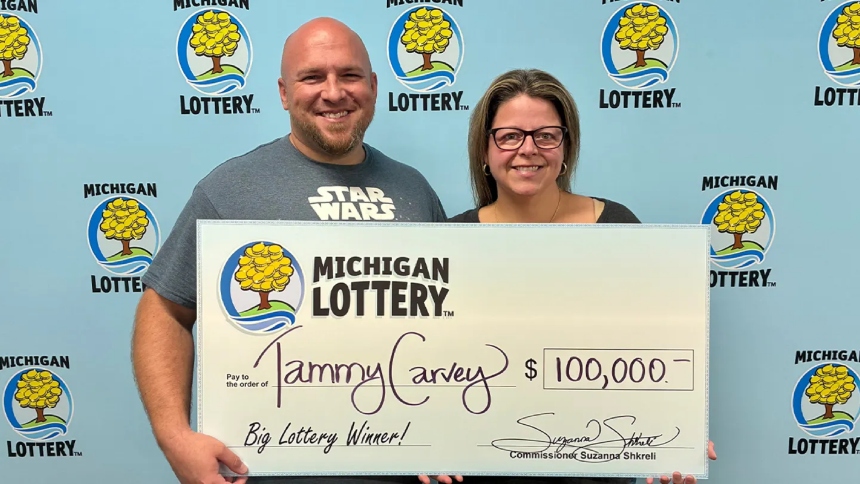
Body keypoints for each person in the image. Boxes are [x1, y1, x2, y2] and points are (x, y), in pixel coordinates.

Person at [131, 17, 446, 484]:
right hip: (266, 470)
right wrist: (174, 436)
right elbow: (165, 311)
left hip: (400, 468)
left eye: (350, 75)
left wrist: (451, 429)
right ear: (283, 92)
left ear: (374, 86)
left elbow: (448, 325)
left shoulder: (414, 189)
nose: (334, 92)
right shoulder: (229, 190)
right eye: (312, 77)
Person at [434, 68, 717, 484]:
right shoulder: (448, 241)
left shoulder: (617, 227)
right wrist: (424, 443)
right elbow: (430, 366)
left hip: (594, 467)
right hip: (481, 470)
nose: (528, 149)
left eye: (546, 136)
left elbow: (655, 349)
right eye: (509, 136)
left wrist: (676, 434)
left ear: (566, 147)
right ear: (484, 150)